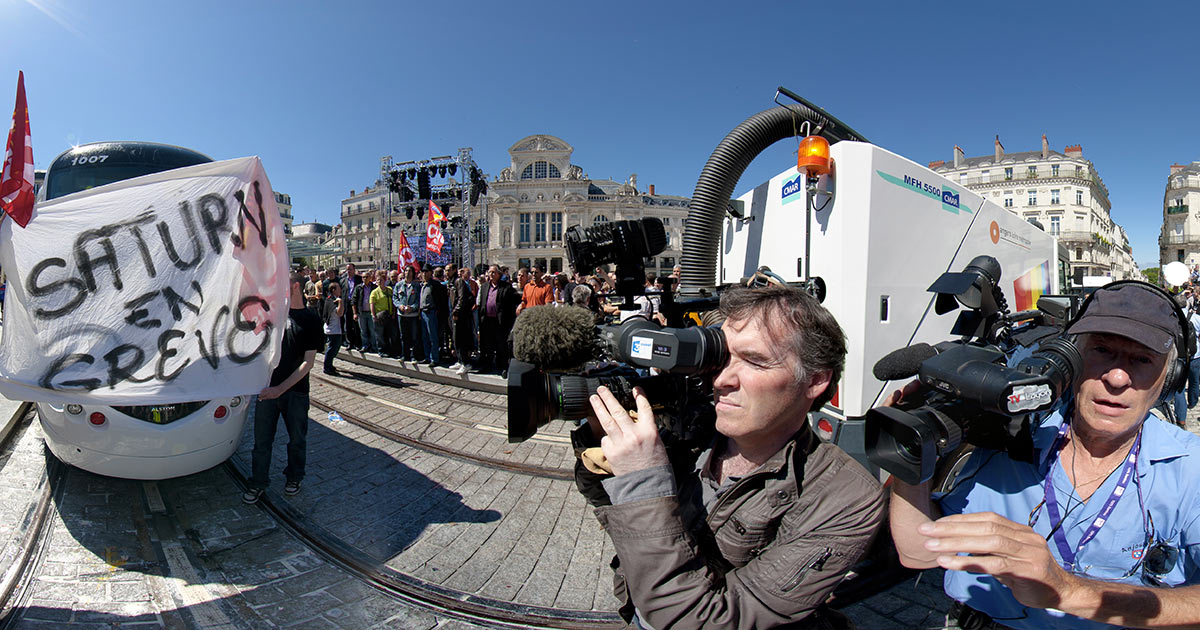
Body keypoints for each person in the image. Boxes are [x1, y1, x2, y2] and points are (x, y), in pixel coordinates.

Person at [890, 281, 1200, 630]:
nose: (1116, 377)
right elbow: (917, 550)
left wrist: (1068, 590)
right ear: (1072, 357)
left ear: (1169, 378)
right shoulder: (1010, 435)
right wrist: (912, 452)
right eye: (1101, 350)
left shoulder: (1191, 468)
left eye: (1142, 359)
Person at [576, 285, 885, 629]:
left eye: (754, 361)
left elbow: (717, 622)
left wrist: (644, 484)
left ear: (815, 380)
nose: (721, 379)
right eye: (722, 359)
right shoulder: (696, 432)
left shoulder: (846, 497)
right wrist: (598, 442)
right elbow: (606, 499)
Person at [244, 271, 324, 504]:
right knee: (261, 443)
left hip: (295, 393)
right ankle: (258, 482)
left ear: (296, 287)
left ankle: (294, 477)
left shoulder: (311, 319)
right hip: (267, 390)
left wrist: (280, 389)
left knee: (297, 439)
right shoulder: (272, 315)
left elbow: (308, 363)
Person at [476, 264, 517, 375]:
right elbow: (482, 303)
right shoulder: (484, 287)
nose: (491, 274)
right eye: (490, 272)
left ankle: (503, 367)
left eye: (494, 272)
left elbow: (511, 305)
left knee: (501, 345)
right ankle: (487, 365)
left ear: (499, 274)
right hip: (487, 320)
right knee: (487, 345)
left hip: (500, 321)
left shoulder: (506, 287)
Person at [418, 265, 447, 366]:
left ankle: (435, 358)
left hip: (432, 312)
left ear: (431, 273)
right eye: (423, 272)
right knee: (425, 336)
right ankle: (427, 356)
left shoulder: (435, 285)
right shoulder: (422, 285)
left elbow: (441, 299)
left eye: (427, 272)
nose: (424, 274)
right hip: (423, 312)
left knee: (433, 337)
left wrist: (438, 311)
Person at [450, 267, 475, 375]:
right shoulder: (453, 282)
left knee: (460, 338)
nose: (446, 272)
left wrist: (456, 312)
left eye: (448, 270)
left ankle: (465, 362)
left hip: (461, 316)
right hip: (457, 314)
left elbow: (462, 298)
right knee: (456, 339)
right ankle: (460, 360)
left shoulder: (459, 281)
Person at [394, 266, 422, 361]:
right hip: (401, 315)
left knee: (414, 336)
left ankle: (414, 356)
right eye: (406, 271)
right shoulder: (399, 285)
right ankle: (404, 355)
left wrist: (413, 307)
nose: (408, 273)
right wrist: (399, 306)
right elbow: (395, 298)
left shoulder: (417, 286)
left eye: (410, 271)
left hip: (412, 315)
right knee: (403, 336)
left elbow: (419, 300)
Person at [370, 271, 395, 358]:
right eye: (377, 280)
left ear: (385, 280)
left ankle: (389, 350)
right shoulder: (374, 292)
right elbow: (372, 304)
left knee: (388, 334)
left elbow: (393, 302)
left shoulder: (389, 290)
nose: (379, 282)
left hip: (389, 315)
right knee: (379, 335)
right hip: (379, 316)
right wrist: (374, 315)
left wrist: (393, 313)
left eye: (381, 280)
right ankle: (381, 350)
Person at [321, 281, 345, 375]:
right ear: (333, 290)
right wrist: (340, 303)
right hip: (332, 329)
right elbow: (340, 313)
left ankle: (329, 365)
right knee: (332, 349)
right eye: (339, 288)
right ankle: (327, 367)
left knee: (335, 348)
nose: (340, 290)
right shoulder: (331, 300)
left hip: (335, 328)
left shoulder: (333, 298)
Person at [353, 270, 379, 354]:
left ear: (370, 278)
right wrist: (355, 313)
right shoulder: (358, 287)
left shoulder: (374, 287)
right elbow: (354, 301)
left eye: (366, 277)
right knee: (363, 331)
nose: (365, 278)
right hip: (362, 313)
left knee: (372, 330)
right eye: (363, 277)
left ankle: (374, 346)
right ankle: (365, 345)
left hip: (371, 312)